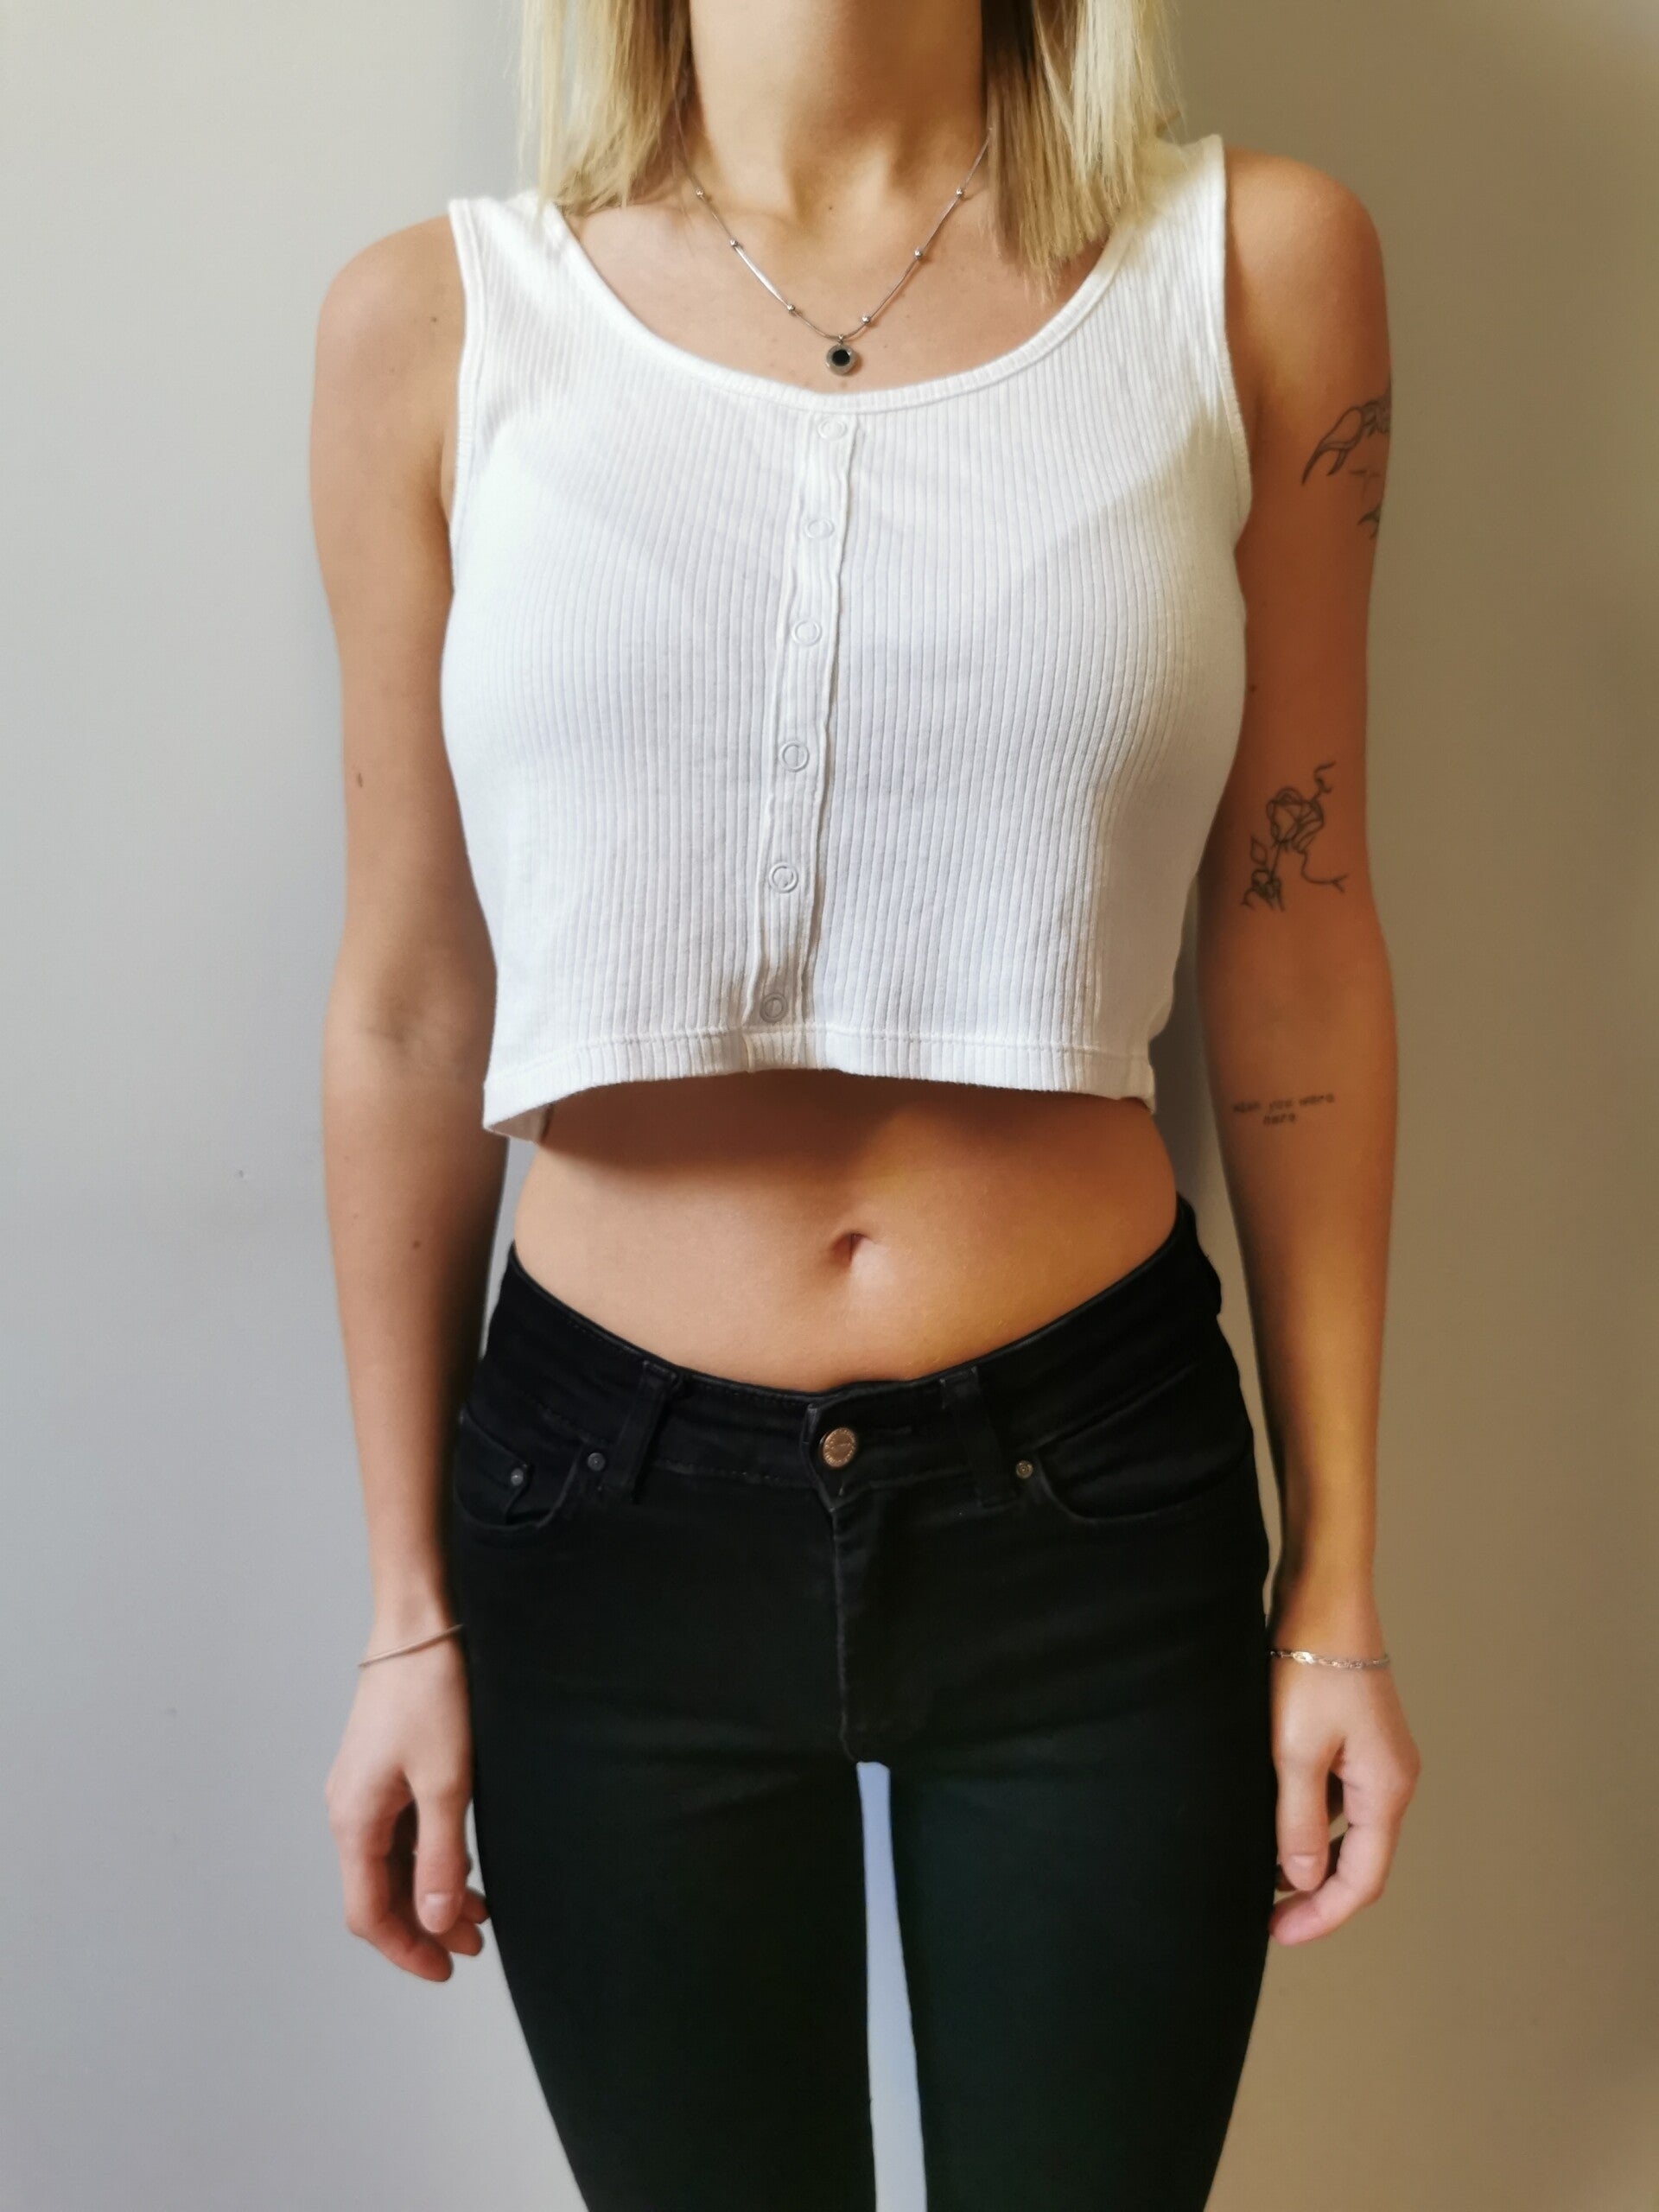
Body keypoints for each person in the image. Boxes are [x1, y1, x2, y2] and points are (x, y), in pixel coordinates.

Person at [309, 0, 1421, 2202]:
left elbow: (1296, 953)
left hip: (1092, 1487)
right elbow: (415, 1006)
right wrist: (406, 1604)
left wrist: (1341, 1587)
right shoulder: (432, 325)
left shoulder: (1252, 270)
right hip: (601, 1511)